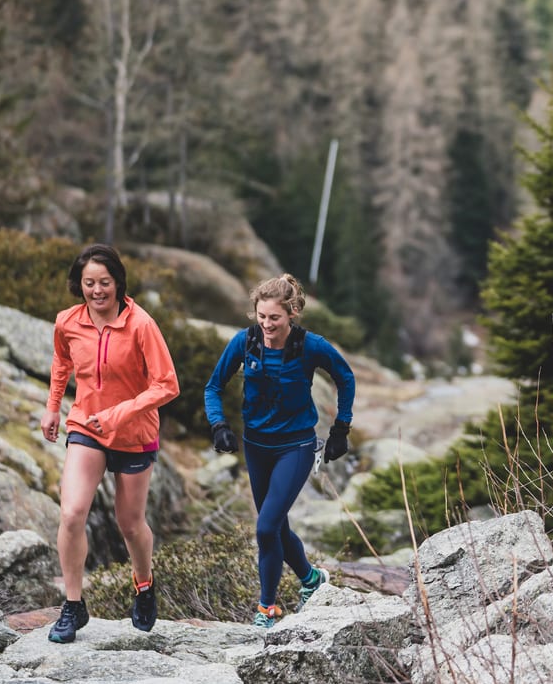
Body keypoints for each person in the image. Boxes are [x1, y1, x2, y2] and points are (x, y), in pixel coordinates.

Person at [40, 243, 179, 643]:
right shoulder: (67, 321)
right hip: (86, 424)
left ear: (118, 282)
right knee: (72, 513)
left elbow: (167, 384)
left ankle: (144, 584)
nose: (97, 291)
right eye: (88, 283)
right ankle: (72, 606)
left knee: (130, 525)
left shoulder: (141, 325)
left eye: (104, 282)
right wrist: (53, 408)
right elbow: (62, 362)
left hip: (134, 432)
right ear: (78, 284)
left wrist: (120, 413)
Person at [204, 274, 355, 627]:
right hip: (256, 447)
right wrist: (219, 425)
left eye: (275, 318)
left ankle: (266, 610)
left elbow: (345, 377)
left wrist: (341, 428)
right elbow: (213, 386)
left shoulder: (311, 345)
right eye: (261, 317)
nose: (267, 325)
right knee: (275, 528)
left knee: (265, 526)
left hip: (296, 446)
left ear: (293, 313)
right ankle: (312, 580)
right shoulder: (245, 342)